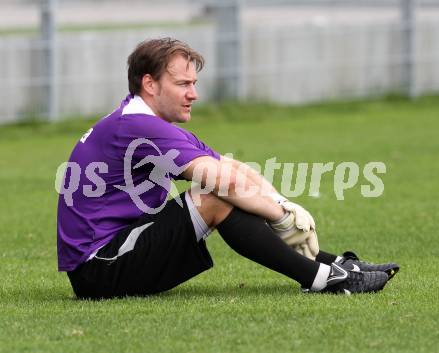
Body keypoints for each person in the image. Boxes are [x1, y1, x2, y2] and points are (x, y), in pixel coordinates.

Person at [57, 37, 399, 299]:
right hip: (99, 270)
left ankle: (330, 266)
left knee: (223, 189)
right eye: (183, 84)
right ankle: (322, 278)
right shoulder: (139, 127)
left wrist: (281, 203)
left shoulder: (146, 122)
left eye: (194, 84)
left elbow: (230, 168)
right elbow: (223, 183)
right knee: (215, 196)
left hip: (116, 252)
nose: (194, 94)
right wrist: (281, 218)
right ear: (150, 84)